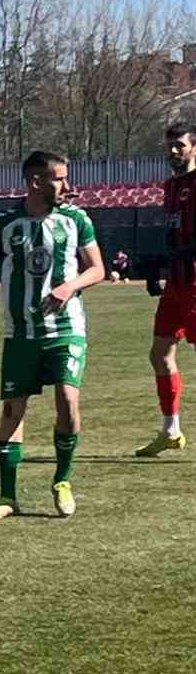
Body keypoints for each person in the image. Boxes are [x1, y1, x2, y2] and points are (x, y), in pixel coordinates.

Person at [0, 151, 105, 520]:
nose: (67, 186)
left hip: (66, 328)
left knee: (67, 400)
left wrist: (68, 287)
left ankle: (62, 480)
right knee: (12, 409)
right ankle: (6, 497)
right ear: (36, 181)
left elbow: (98, 269)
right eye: (59, 179)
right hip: (20, 332)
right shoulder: (5, 224)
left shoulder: (75, 219)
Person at [133, 123, 196, 457]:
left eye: (180, 145)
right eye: (170, 145)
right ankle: (171, 431)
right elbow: (174, 235)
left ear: (194, 147)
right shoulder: (171, 186)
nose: (173, 151)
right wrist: (159, 269)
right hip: (176, 282)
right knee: (159, 353)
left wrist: (167, 258)